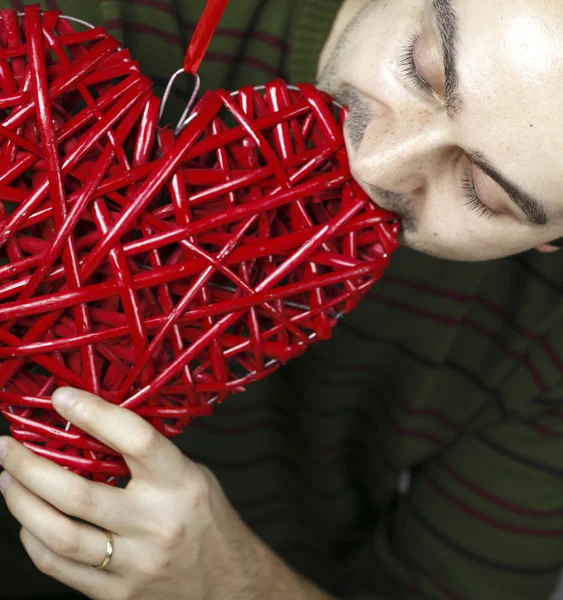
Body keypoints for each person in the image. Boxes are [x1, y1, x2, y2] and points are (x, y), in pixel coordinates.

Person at [1, 0, 563, 598]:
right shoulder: (75, 26)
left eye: (481, 191)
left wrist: (232, 581)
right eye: (420, 67)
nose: (377, 164)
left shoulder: (542, 343)